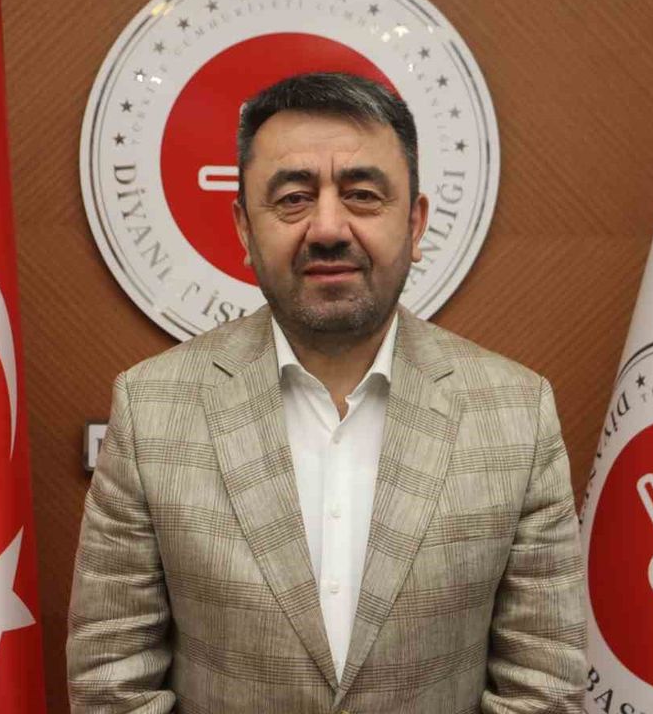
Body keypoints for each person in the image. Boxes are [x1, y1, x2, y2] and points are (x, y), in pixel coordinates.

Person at [68, 72, 586, 713]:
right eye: (293, 199)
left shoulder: (516, 414)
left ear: (415, 222)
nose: (328, 228)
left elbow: (545, 691)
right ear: (243, 228)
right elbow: (111, 685)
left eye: (363, 195)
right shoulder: (152, 409)